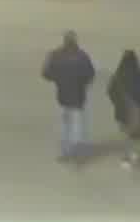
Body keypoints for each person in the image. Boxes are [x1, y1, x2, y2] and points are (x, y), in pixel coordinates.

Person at [40, 31, 97, 160]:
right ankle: (78, 151)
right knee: (78, 124)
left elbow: (45, 74)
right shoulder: (82, 56)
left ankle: (65, 151)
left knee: (65, 124)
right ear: (75, 41)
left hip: (62, 95)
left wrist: (58, 79)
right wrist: (83, 84)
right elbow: (90, 74)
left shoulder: (55, 55)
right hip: (78, 96)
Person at [106, 49, 140, 163]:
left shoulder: (118, 75)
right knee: (138, 136)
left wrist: (117, 103)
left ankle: (130, 156)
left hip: (123, 111)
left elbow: (111, 92)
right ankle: (136, 155)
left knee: (128, 134)